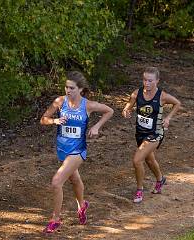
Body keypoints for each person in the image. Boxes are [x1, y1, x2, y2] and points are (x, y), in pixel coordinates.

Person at [40, 71, 114, 233]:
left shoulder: (88, 105)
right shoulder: (60, 101)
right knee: (74, 179)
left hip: (77, 150)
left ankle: (55, 219)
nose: (68, 90)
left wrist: (96, 126)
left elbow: (109, 111)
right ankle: (82, 205)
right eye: (66, 87)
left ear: (80, 89)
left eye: (72, 88)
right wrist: (55, 120)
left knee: (56, 181)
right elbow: (43, 119)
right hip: (62, 149)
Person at [122, 67, 181, 203]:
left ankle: (139, 190)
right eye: (144, 80)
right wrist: (125, 111)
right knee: (149, 160)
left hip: (155, 133)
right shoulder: (137, 93)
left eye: (150, 80)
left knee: (137, 160)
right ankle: (160, 179)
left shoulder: (162, 96)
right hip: (140, 133)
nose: (146, 83)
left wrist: (168, 118)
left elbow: (177, 103)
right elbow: (127, 107)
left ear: (157, 81)